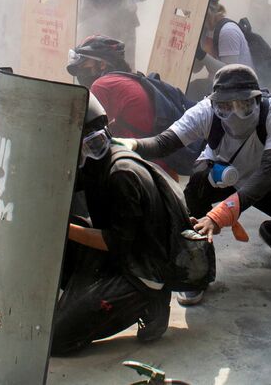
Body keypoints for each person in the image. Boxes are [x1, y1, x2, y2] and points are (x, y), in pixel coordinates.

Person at [118, 65, 271, 305]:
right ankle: (195, 272)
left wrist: (221, 214)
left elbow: (270, 172)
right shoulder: (204, 112)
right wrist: (133, 146)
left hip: (263, 180)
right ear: (213, 104)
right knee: (194, 198)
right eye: (224, 107)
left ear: (258, 99)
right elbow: (166, 142)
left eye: (243, 106)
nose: (232, 115)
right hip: (219, 176)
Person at [51, 95, 173, 355]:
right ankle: (83, 300)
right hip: (120, 257)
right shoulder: (96, 162)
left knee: (57, 341)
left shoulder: (122, 174)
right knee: (64, 225)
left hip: (140, 271)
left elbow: (115, 242)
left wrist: (61, 228)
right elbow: (65, 187)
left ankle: (151, 302)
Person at [66, 34, 199, 178]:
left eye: (84, 63)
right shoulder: (127, 79)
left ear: (102, 64)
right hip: (162, 173)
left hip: (144, 174)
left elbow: (79, 132)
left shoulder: (104, 85)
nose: (80, 69)